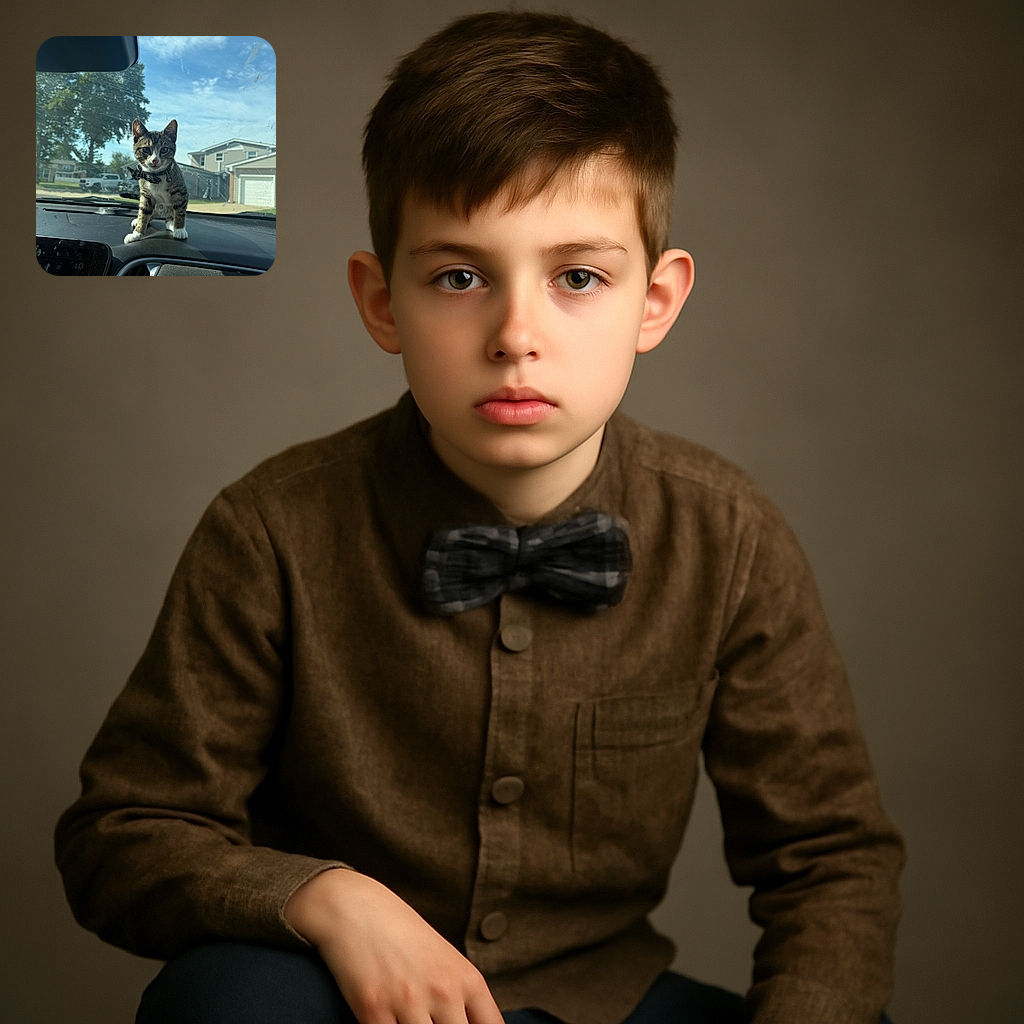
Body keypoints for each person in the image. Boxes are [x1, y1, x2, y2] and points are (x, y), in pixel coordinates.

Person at [55, 11, 904, 1024]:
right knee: (221, 1003)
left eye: (576, 278)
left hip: (610, 1000)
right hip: (343, 1000)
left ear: (655, 302)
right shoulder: (269, 531)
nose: (515, 335)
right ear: (381, 302)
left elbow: (830, 860)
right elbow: (124, 828)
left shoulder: (729, 538)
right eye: (459, 277)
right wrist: (322, 897)